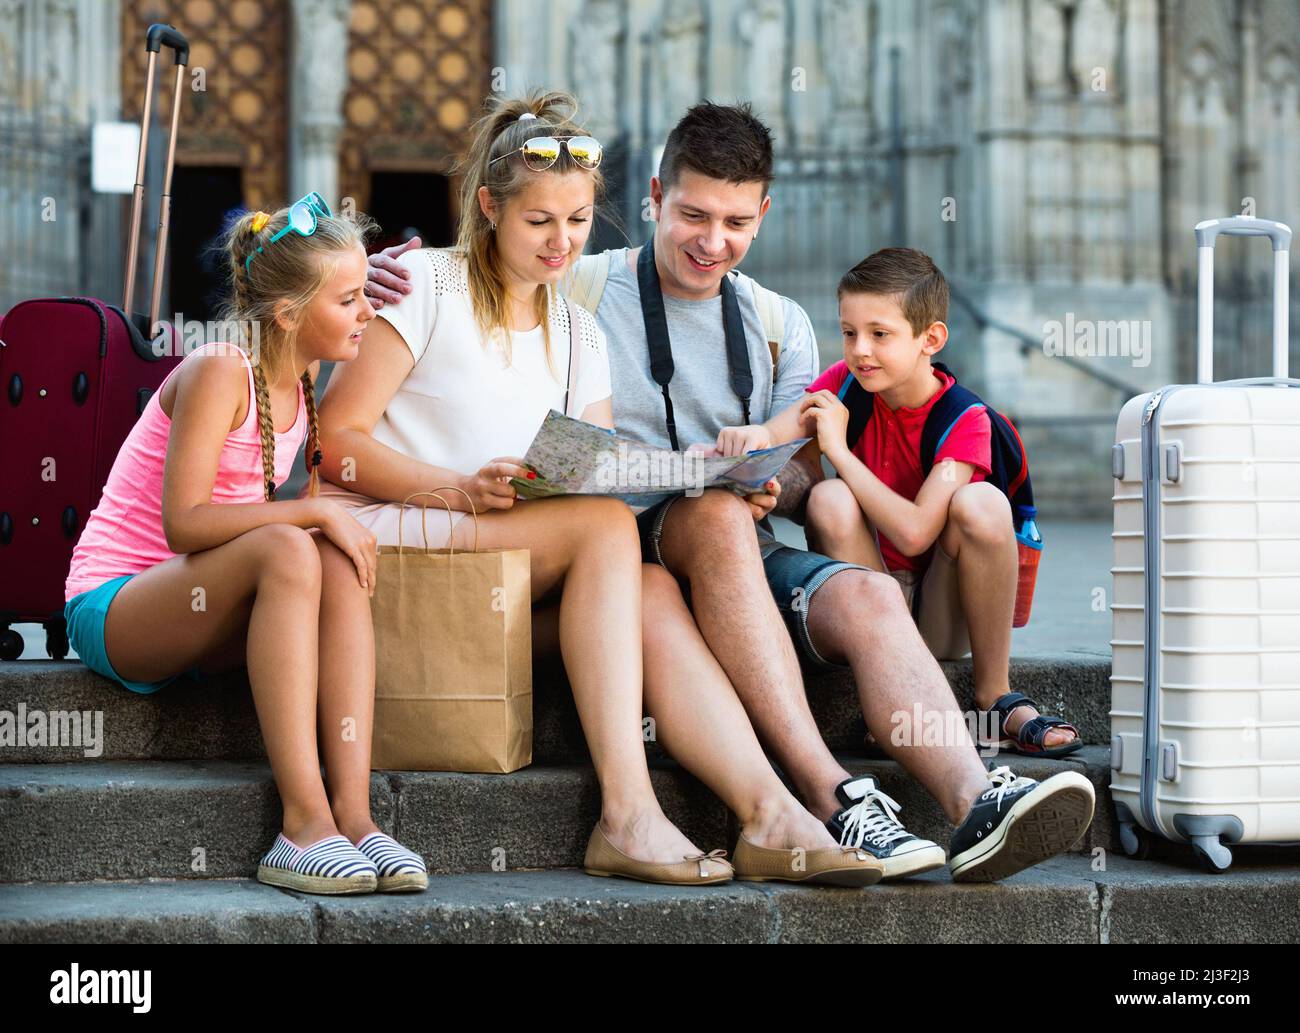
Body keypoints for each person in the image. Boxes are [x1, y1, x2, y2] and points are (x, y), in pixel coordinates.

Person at [368, 100, 1094, 882]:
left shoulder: (779, 323)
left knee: (866, 598)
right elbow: (490, 263)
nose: (713, 243)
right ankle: (835, 796)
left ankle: (975, 800)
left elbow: (800, 481)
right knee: (713, 514)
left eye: (737, 222)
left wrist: (775, 481)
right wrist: (380, 271)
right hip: (611, 548)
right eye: (692, 215)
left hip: (738, 553)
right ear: (652, 197)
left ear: (765, 215)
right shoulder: (573, 280)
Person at [318, 89, 881, 887]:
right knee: (606, 531)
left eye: (578, 221)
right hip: (394, 544)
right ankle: (627, 812)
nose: (562, 242)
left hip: (495, 570)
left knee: (648, 583)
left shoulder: (577, 327)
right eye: (539, 221)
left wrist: (694, 470)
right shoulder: (424, 287)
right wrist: (456, 487)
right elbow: (331, 446)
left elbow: (592, 464)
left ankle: (770, 812)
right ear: (489, 207)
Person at [63, 195, 428, 895]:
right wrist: (309, 520)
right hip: (117, 604)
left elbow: (271, 527)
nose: (367, 313)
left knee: (335, 557)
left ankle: (354, 816)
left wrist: (318, 526)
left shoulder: (303, 376)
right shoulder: (222, 370)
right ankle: (302, 824)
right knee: (298, 543)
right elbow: (185, 525)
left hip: (197, 607)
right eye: (349, 300)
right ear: (289, 314)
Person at [770, 247, 1082, 758]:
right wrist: (738, 443)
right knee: (827, 500)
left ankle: (993, 696)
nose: (860, 350)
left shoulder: (966, 419)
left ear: (930, 339)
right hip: (873, 605)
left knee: (981, 502)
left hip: (943, 608)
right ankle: (898, 688)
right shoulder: (848, 384)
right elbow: (785, 424)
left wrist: (841, 455)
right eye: (849, 332)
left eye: (880, 334)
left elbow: (914, 533)